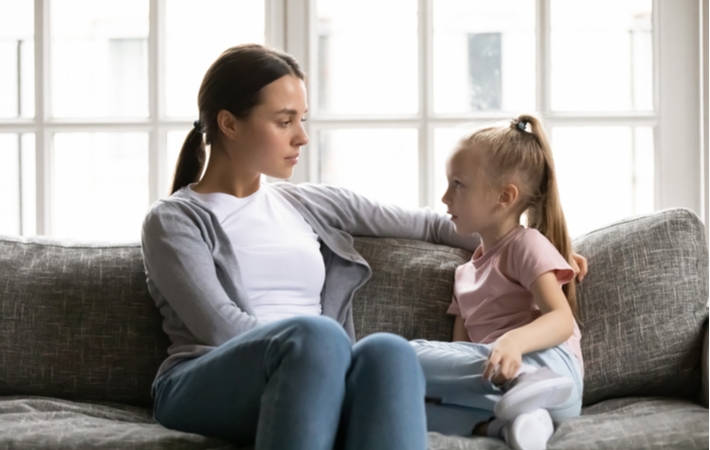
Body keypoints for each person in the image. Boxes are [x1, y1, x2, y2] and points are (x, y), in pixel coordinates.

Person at [140, 43, 494, 450]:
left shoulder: (308, 204)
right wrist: (322, 353)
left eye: (302, 120)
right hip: (202, 380)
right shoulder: (174, 220)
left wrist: (535, 243)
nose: (302, 137)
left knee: (389, 354)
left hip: (318, 365)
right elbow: (220, 328)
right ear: (229, 124)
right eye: (284, 121)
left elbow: (435, 225)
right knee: (318, 337)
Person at [411, 115, 586, 450]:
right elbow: (460, 355)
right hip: (500, 391)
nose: (446, 197)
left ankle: (524, 385)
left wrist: (513, 344)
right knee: (411, 406)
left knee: (399, 355)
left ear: (504, 197)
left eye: (458, 184)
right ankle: (508, 428)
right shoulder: (464, 274)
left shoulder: (526, 244)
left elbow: (561, 320)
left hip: (549, 371)